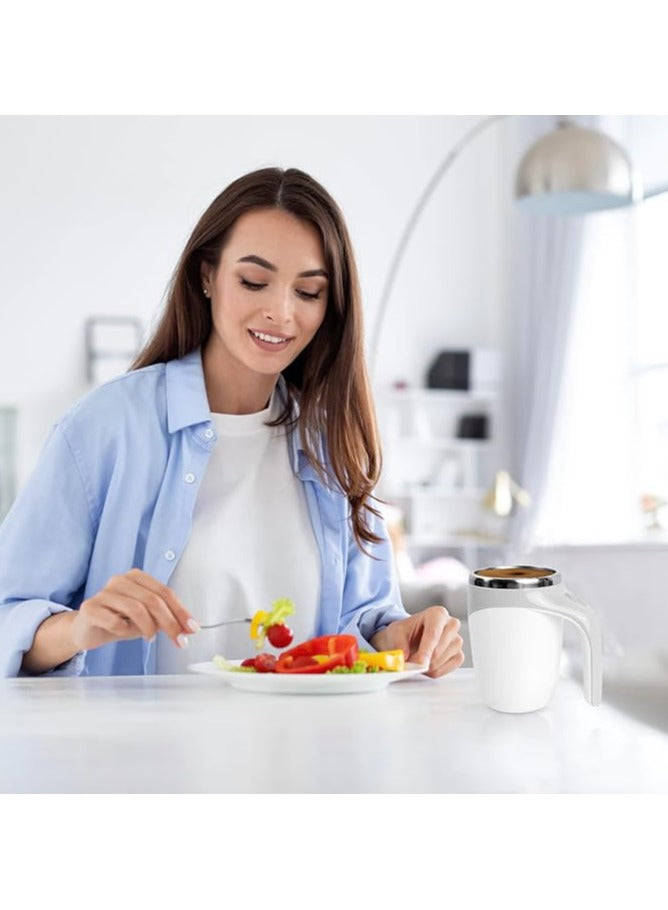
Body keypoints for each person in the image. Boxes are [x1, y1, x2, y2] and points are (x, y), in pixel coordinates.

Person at [0, 166, 464, 679]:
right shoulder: (104, 429)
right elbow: (9, 616)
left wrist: (400, 636)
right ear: (206, 276)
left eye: (308, 292)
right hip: (137, 758)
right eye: (254, 282)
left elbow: (364, 617)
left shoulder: (332, 444)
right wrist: (80, 628)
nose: (281, 313)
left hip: (311, 755)